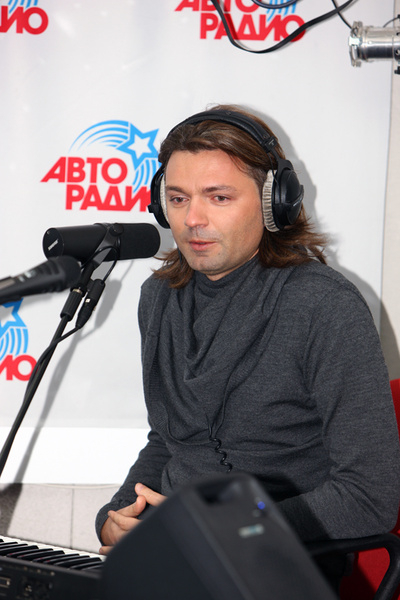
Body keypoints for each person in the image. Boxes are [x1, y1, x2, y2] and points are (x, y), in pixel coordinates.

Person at [96, 104, 400, 587]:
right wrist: (117, 516)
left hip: (280, 567)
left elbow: (369, 497)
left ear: (273, 202)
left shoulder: (323, 305)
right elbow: (167, 442)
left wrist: (218, 532)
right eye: (177, 198)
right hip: (180, 558)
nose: (192, 219)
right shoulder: (158, 297)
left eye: (218, 197)